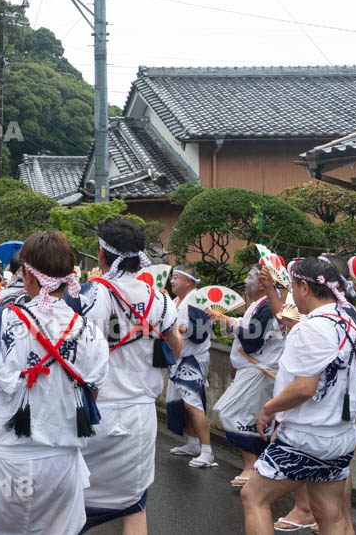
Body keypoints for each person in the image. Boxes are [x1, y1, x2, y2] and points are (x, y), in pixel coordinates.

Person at [0, 231, 109, 535]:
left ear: (29, 276)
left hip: (8, 463)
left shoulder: (4, 320)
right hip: (64, 470)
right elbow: (92, 397)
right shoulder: (91, 332)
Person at [241, 257, 356, 535]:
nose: (292, 294)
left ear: (305, 287)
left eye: (293, 287)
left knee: (254, 497)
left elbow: (304, 388)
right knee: (330, 515)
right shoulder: (350, 320)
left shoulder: (311, 327)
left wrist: (268, 409)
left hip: (307, 436)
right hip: (340, 434)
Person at [74, 217, 182, 533]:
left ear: (101, 253)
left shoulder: (92, 294)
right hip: (140, 416)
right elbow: (175, 347)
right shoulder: (160, 298)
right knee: (134, 504)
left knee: (70, 504)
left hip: (93, 411)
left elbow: (78, 352)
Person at [210, 265, 286, 489]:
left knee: (232, 413)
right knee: (248, 416)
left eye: (250, 276)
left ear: (264, 283)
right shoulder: (260, 305)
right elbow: (248, 327)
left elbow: (253, 341)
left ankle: (252, 464)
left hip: (259, 373)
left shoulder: (267, 307)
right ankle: (256, 464)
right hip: (253, 372)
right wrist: (226, 319)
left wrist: (227, 324)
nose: (245, 280)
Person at [165, 264, 217, 468]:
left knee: (192, 403)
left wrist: (181, 328)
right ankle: (194, 444)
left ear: (188, 281)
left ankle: (207, 451)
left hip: (193, 359)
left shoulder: (197, 300)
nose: (171, 281)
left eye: (175, 277)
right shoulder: (178, 300)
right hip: (180, 358)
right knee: (183, 404)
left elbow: (200, 331)